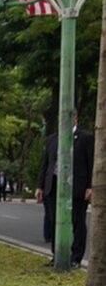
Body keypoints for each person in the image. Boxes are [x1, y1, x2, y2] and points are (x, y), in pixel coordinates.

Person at [36, 114, 95, 267]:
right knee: (54, 221)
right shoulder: (52, 139)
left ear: (75, 118)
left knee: (77, 222)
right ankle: (58, 255)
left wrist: (90, 186)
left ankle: (76, 258)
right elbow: (46, 164)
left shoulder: (86, 138)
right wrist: (40, 186)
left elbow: (91, 164)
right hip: (53, 186)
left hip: (76, 187)